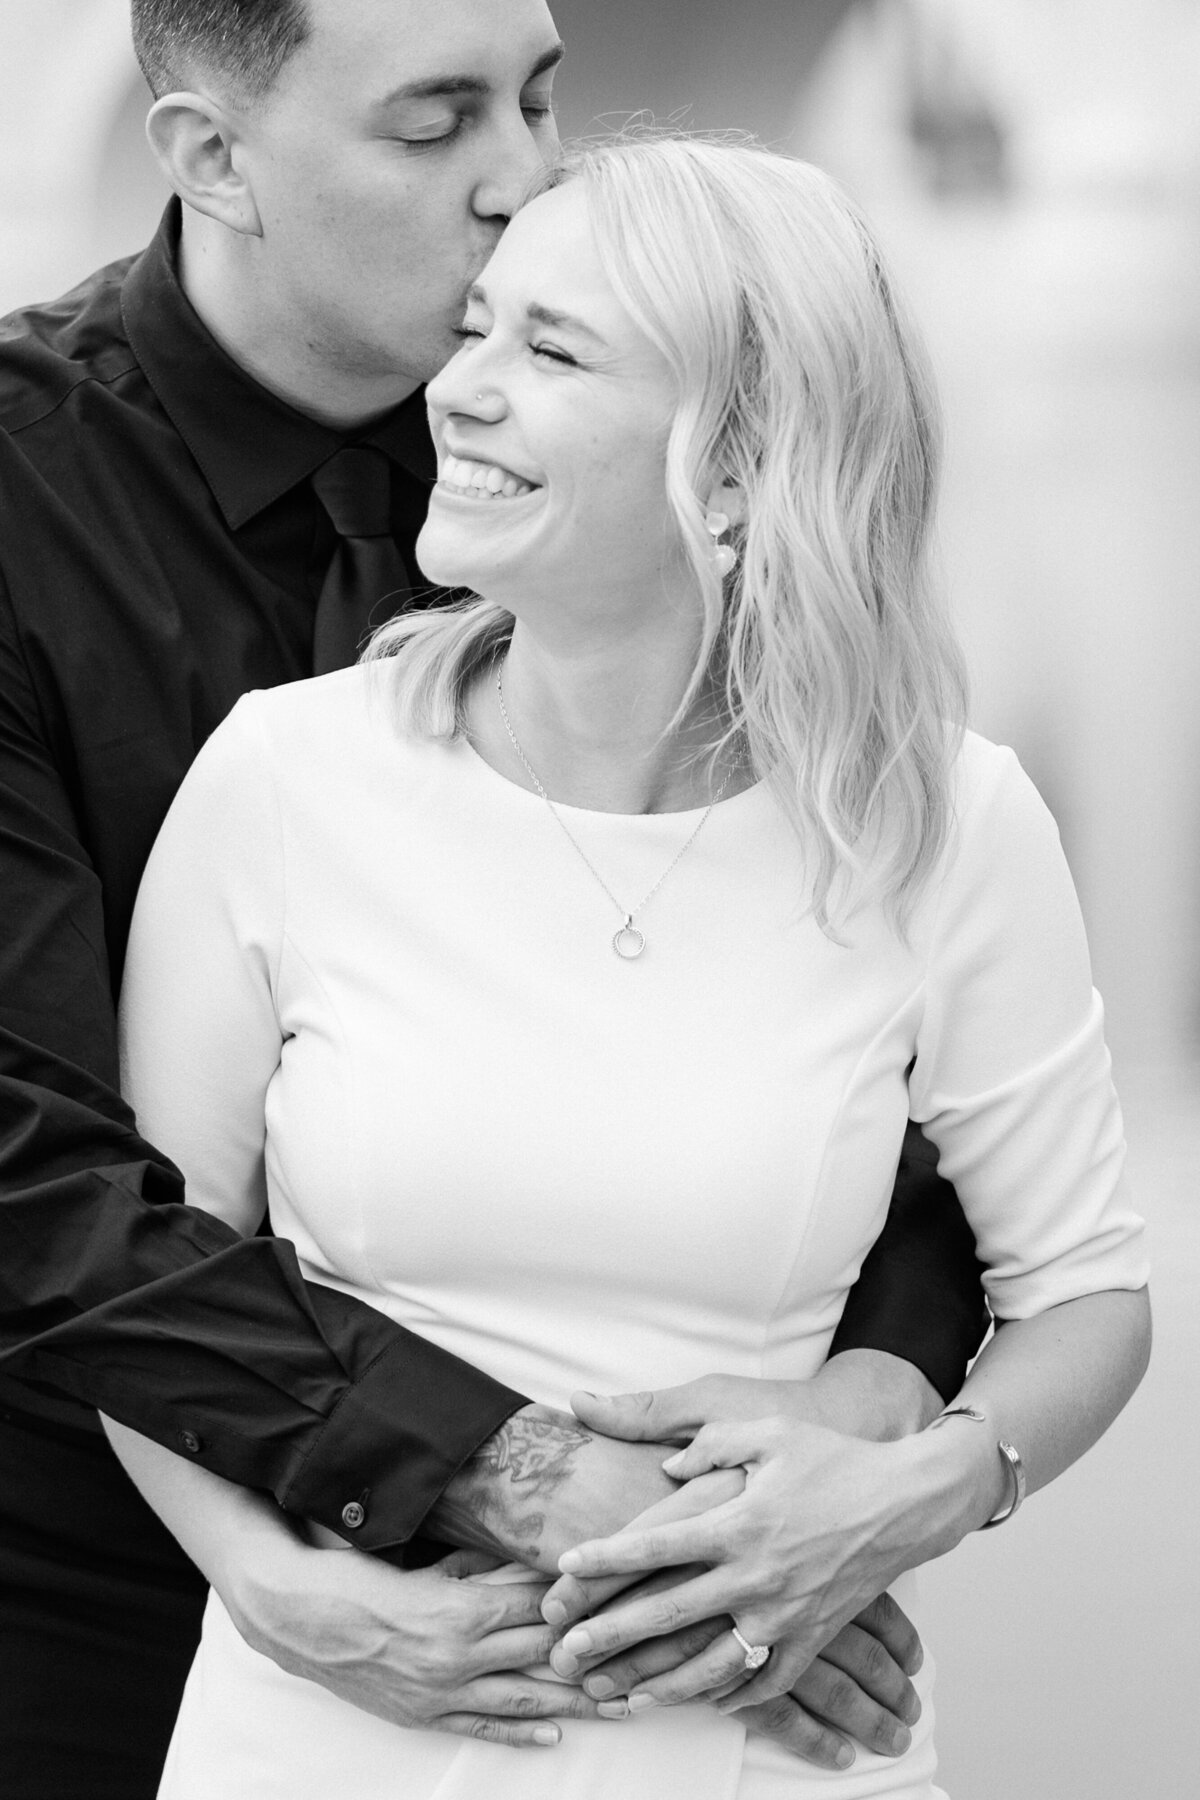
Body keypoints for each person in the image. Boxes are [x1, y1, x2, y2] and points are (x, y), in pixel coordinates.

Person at [0, 3, 988, 1795]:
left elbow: (904, 1052)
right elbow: (22, 1157)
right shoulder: (15, 502)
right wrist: (506, 1478)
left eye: (540, 95)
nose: (528, 178)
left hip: (674, 1638)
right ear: (213, 158)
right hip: (77, 1596)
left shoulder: (679, 464)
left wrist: (854, 1450)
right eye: (437, 121)